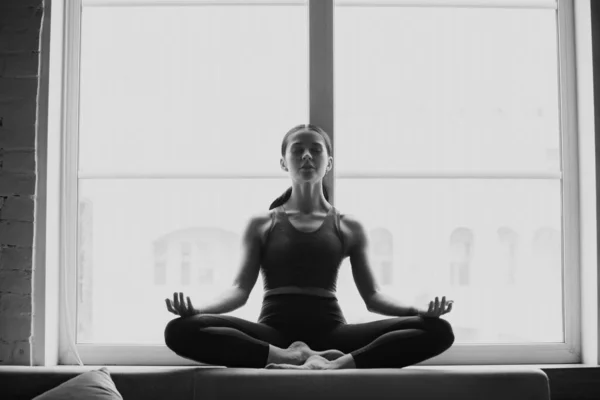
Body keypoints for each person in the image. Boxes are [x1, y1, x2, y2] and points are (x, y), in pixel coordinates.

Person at [164, 124, 455, 370]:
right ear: (283, 162)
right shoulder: (261, 224)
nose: (306, 156)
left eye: (316, 149)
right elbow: (240, 290)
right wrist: (197, 309)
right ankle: (289, 356)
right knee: (180, 330)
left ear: (328, 163)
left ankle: (340, 364)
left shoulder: (348, 225)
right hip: (273, 333)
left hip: (332, 333)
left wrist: (418, 310)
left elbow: (373, 297)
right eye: (297, 149)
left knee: (438, 331)